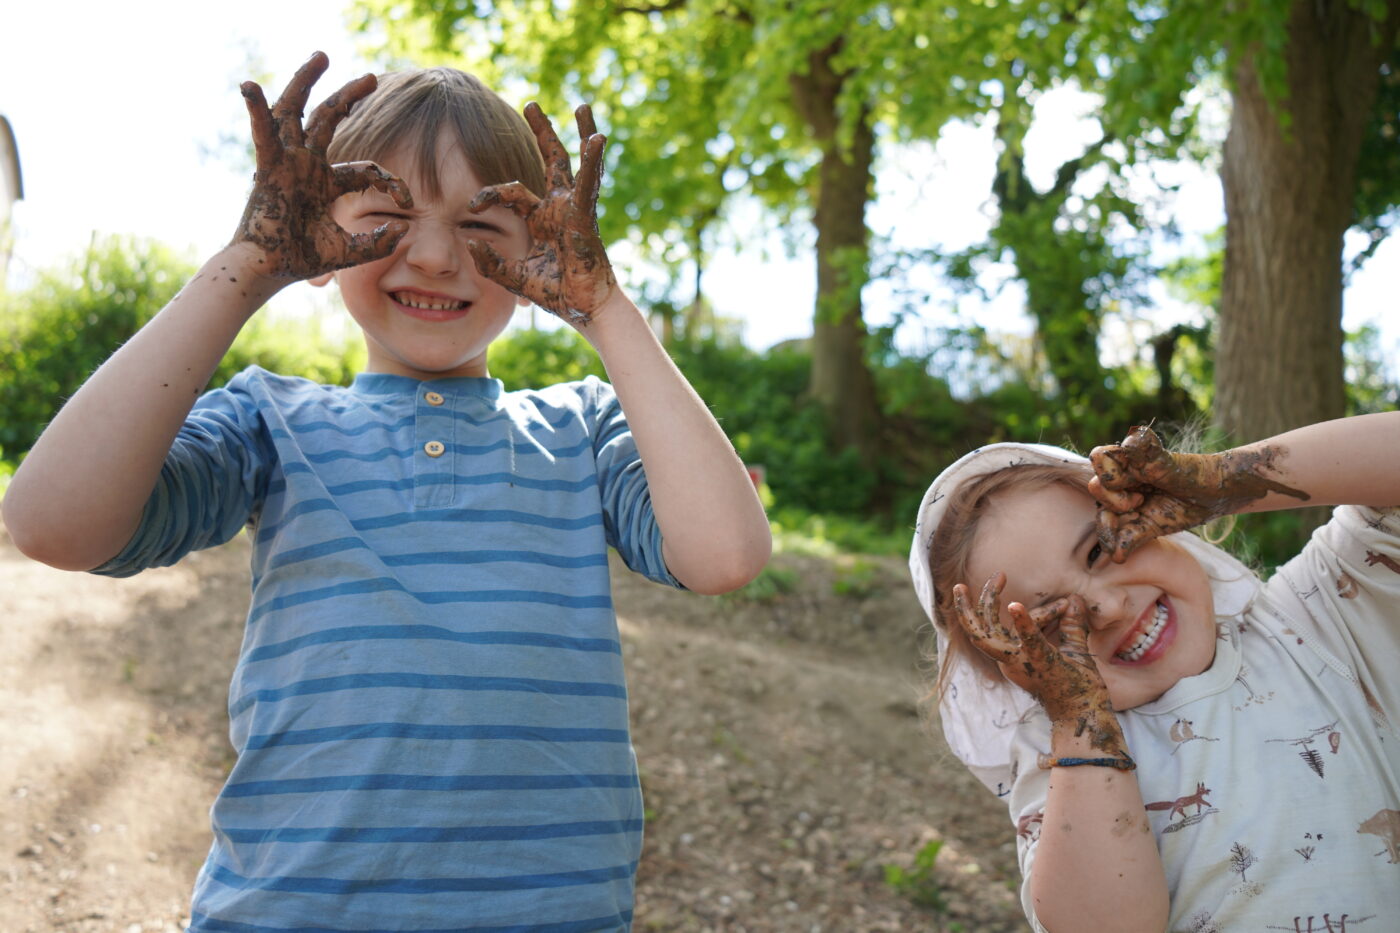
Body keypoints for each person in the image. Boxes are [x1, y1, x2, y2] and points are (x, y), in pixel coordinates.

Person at [2, 52, 771, 931]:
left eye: (488, 226)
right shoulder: (271, 422)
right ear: (315, 235)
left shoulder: (583, 432)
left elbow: (725, 555)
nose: (438, 255)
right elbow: (52, 522)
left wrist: (604, 307)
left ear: (545, 249)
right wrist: (248, 265)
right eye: (386, 214)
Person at [907, 413, 1400, 933]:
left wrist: (1225, 480)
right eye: (1049, 623)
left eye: (1098, 549)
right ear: (1019, 674)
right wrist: (1081, 720)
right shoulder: (1062, 761)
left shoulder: (1316, 619)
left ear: (1159, 516)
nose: (1106, 607)